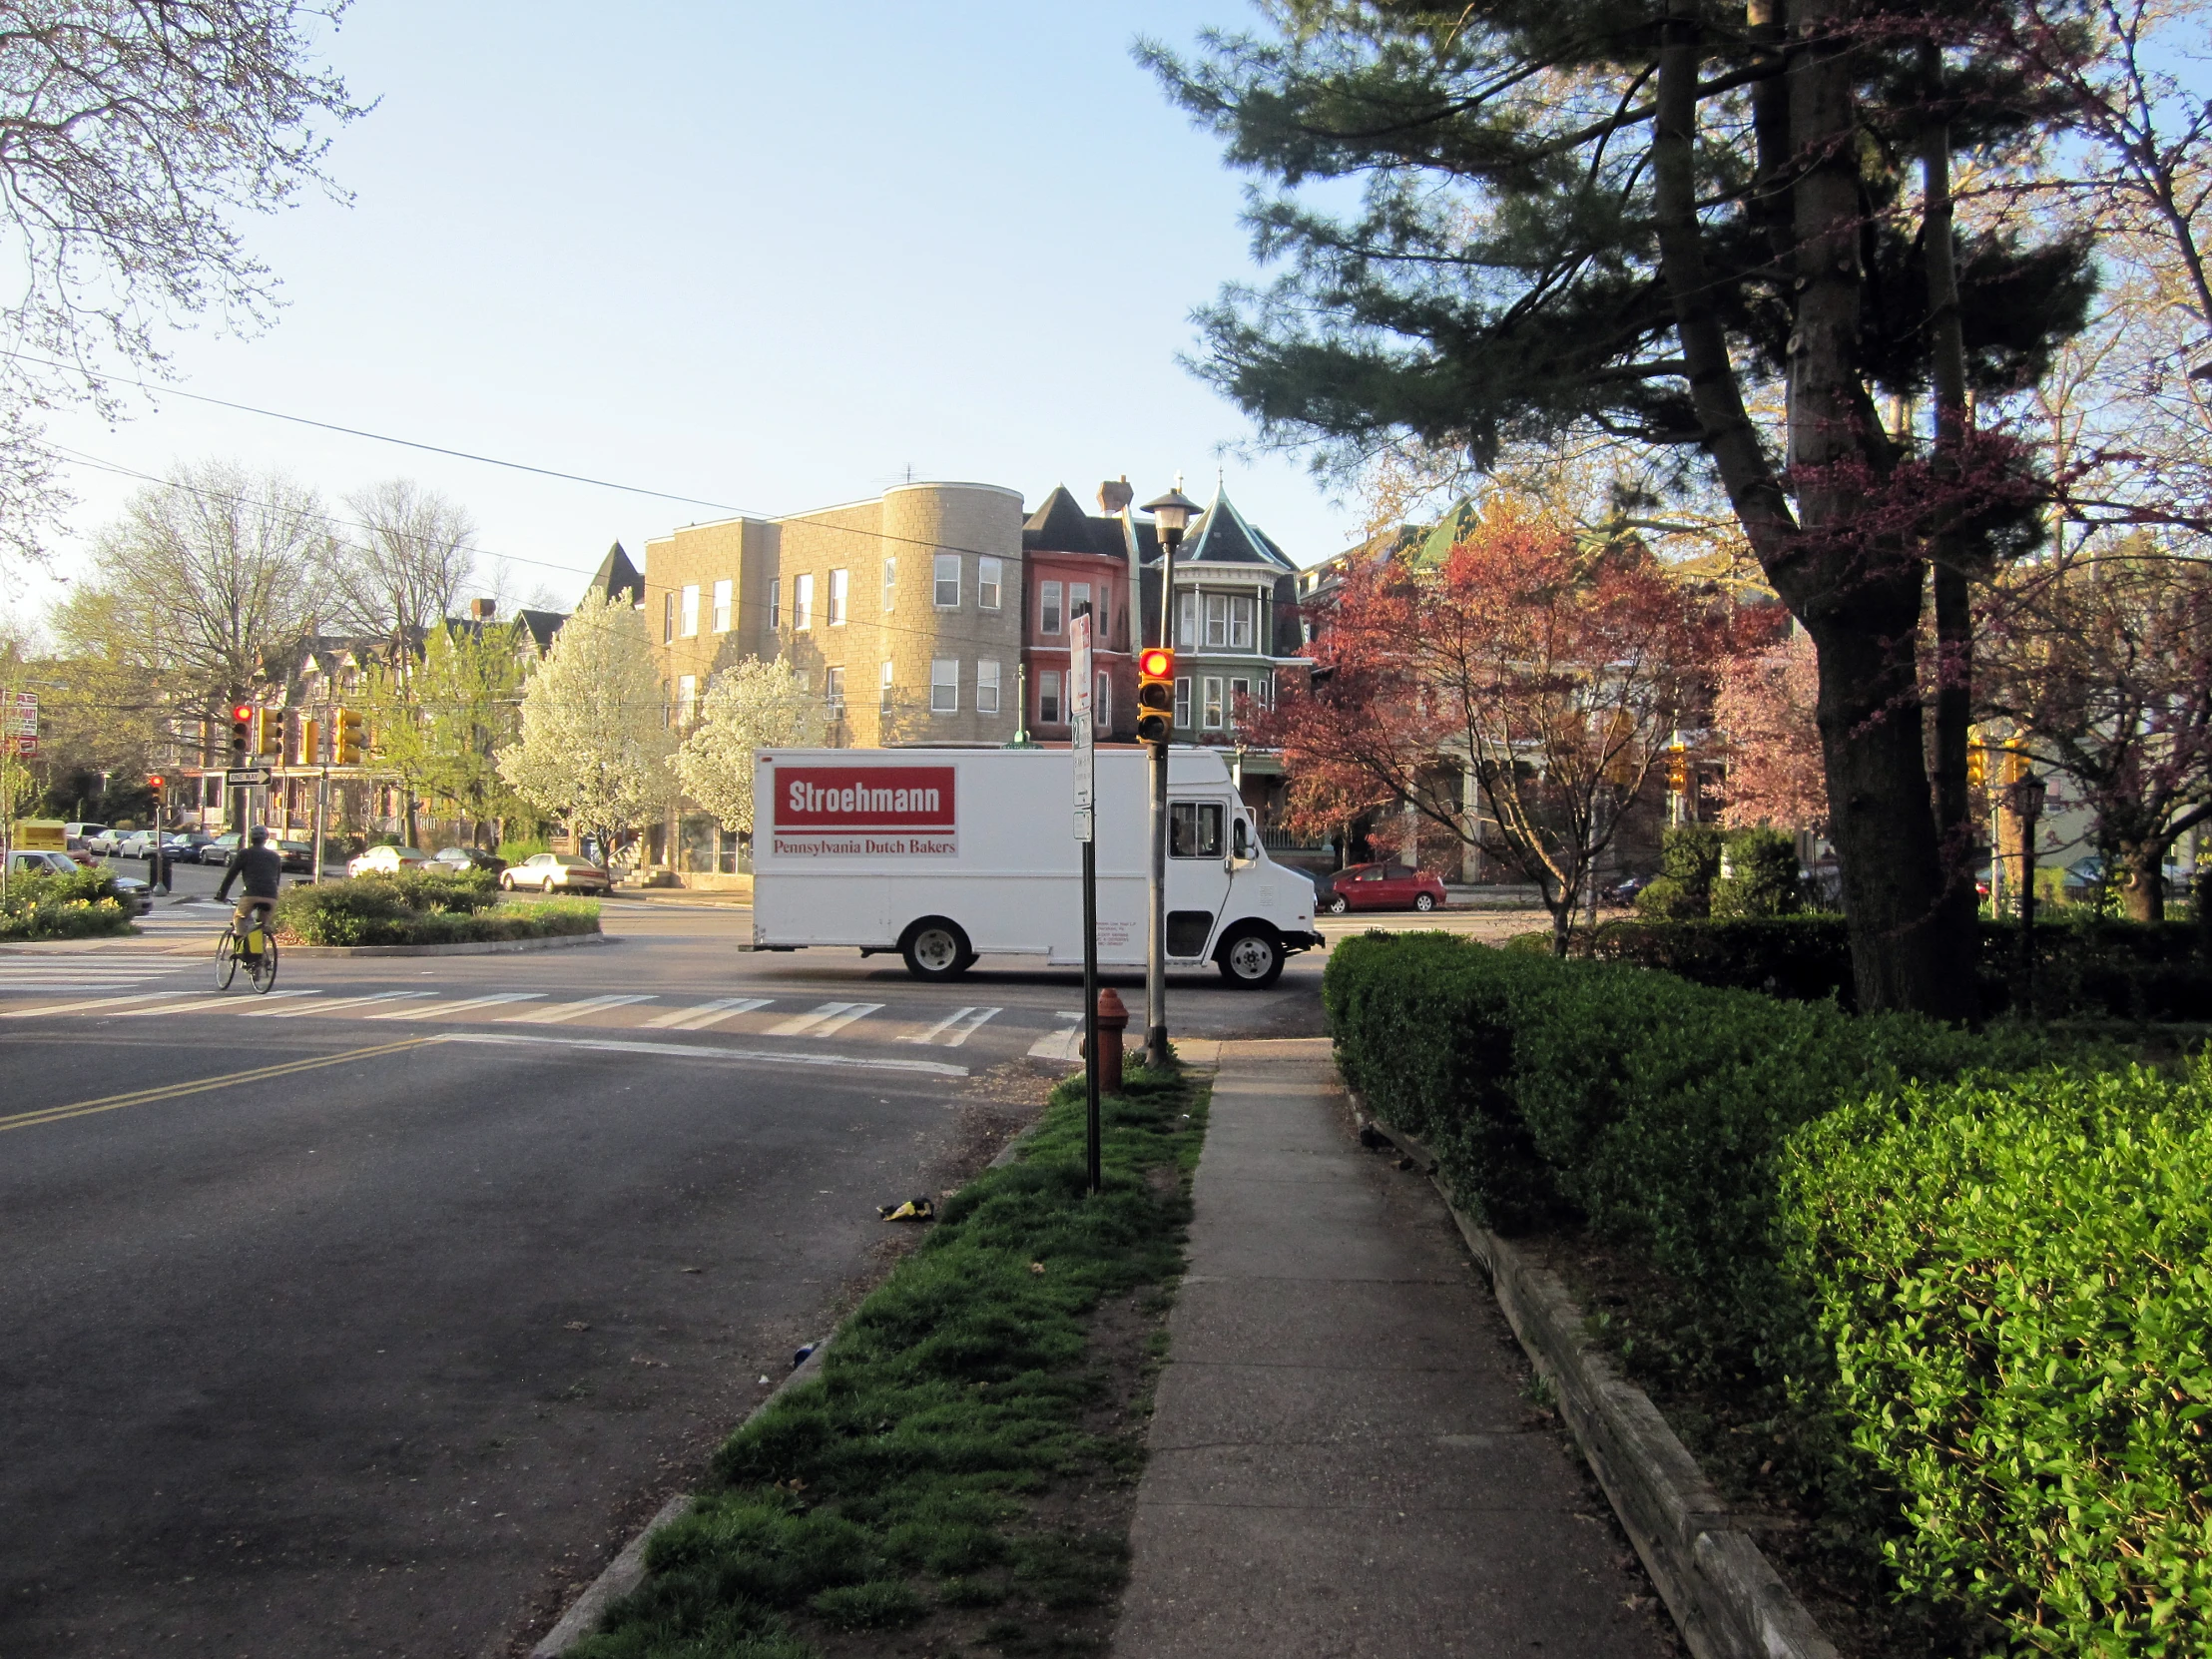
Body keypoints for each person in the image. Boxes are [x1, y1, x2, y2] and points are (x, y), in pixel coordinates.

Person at [215, 827, 284, 955]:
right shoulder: (275, 856)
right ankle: (260, 955)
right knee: (262, 925)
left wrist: (222, 894)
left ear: (251, 839)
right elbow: (277, 879)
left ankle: (242, 949)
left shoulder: (245, 854)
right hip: (271, 896)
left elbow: (231, 874)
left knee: (239, 917)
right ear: (266, 839)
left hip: (251, 894)